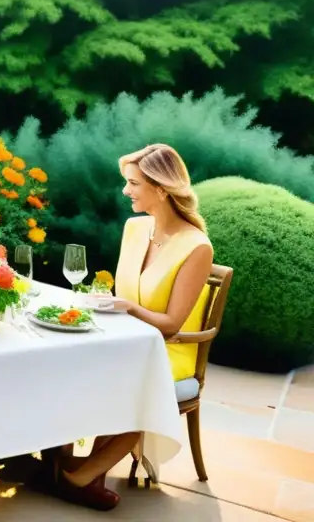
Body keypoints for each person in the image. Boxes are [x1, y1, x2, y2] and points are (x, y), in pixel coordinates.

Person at [46, 144, 214, 511]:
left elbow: (171, 326)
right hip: (125, 339)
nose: (125, 191)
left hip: (168, 350)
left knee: (129, 384)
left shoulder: (197, 247)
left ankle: (78, 476)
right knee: (61, 363)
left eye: (133, 183)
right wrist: (106, 302)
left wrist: (129, 307)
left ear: (162, 189)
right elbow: (124, 292)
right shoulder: (135, 228)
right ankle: (59, 460)